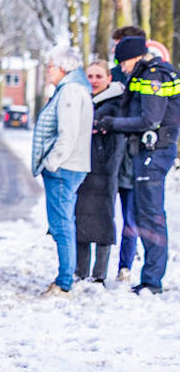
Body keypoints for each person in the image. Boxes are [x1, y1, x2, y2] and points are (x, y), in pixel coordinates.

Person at [98, 30, 179, 293]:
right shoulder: (148, 73)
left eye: (124, 62)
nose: (122, 67)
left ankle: (152, 281)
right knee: (146, 214)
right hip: (149, 152)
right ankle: (150, 278)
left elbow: (150, 120)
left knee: (150, 215)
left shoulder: (153, 76)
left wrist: (113, 124)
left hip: (154, 152)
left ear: (134, 58)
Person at [30, 47, 93, 296]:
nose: (47, 71)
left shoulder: (69, 91)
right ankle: (66, 276)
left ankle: (65, 280)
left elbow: (68, 133)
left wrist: (52, 163)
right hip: (72, 167)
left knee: (61, 224)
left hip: (64, 168)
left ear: (62, 68)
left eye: (50, 66)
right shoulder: (77, 89)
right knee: (65, 222)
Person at [75, 61, 127, 283]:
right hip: (82, 166)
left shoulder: (117, 103)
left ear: (108, 79)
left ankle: (99, 275)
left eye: (99, 76)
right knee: (81, 220)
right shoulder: (81, 99)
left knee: (105, 220)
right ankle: (80, 271)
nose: (94, 81)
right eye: (90, 76)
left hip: (105, 168)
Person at [111, 26, 146, 279]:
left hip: (133, 157)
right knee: (102, 213)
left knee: (131, 217)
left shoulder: (148, 77)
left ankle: (125, 266)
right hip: (111, 155)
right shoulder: (111, 75)